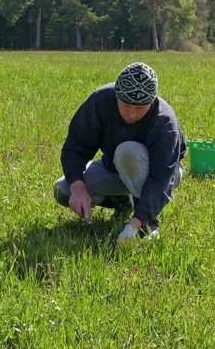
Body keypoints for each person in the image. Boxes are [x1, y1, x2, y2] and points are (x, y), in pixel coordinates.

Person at [53, 62, 185, 246]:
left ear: (152, 102)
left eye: (140, 108)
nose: (131, 114)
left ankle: (149, 222)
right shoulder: (100, 102)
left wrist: (135, 224)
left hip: (163, 175)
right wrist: (78, 188)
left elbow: (161, 178)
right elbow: (75, 148)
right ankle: (122, 200)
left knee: (127, 151)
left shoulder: (164, 123)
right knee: (63, 190)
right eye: (126, 105)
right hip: (114, 167)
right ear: (116, 95)